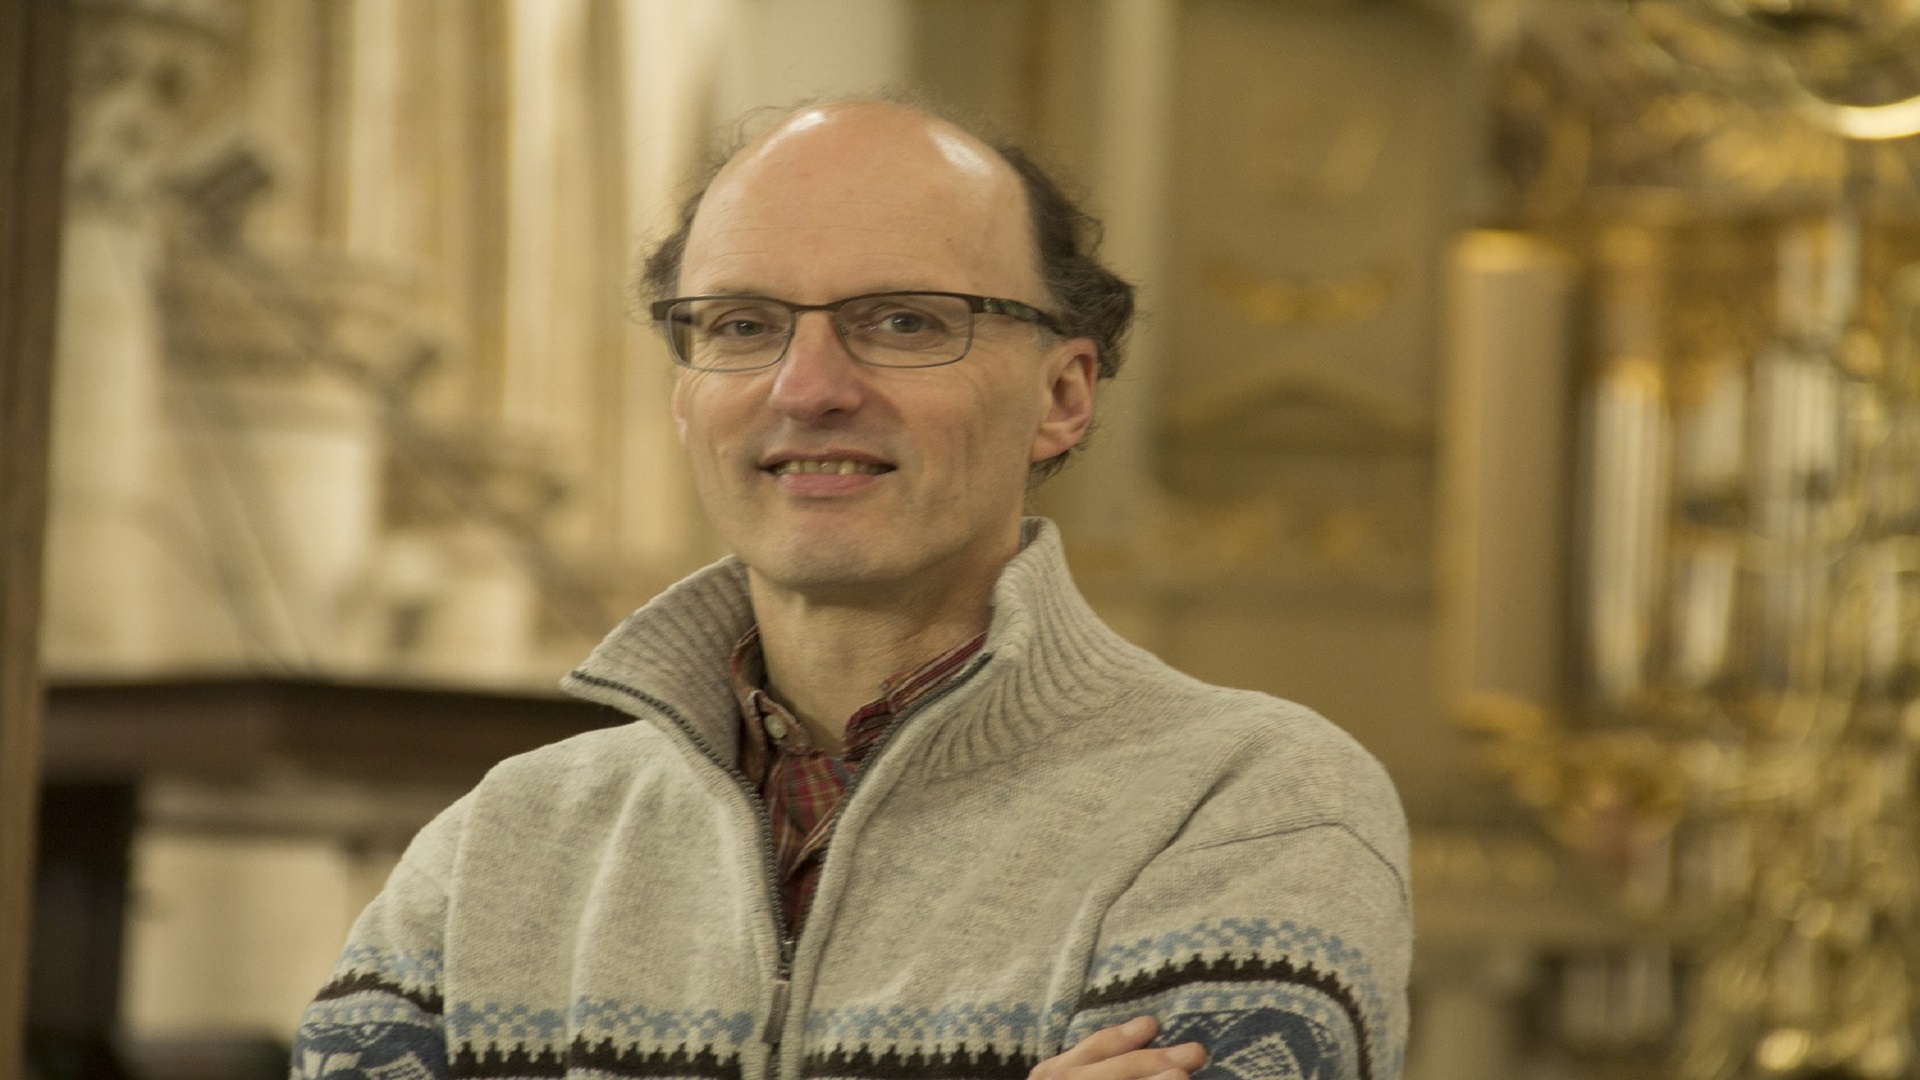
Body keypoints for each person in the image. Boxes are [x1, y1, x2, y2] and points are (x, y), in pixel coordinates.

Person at [291, 100, 1410, 1080]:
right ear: (686, 400)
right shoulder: (496, 847)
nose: (809, 386)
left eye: (906, 321)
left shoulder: (1248, 803)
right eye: (741, 326)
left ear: (1063, 395)